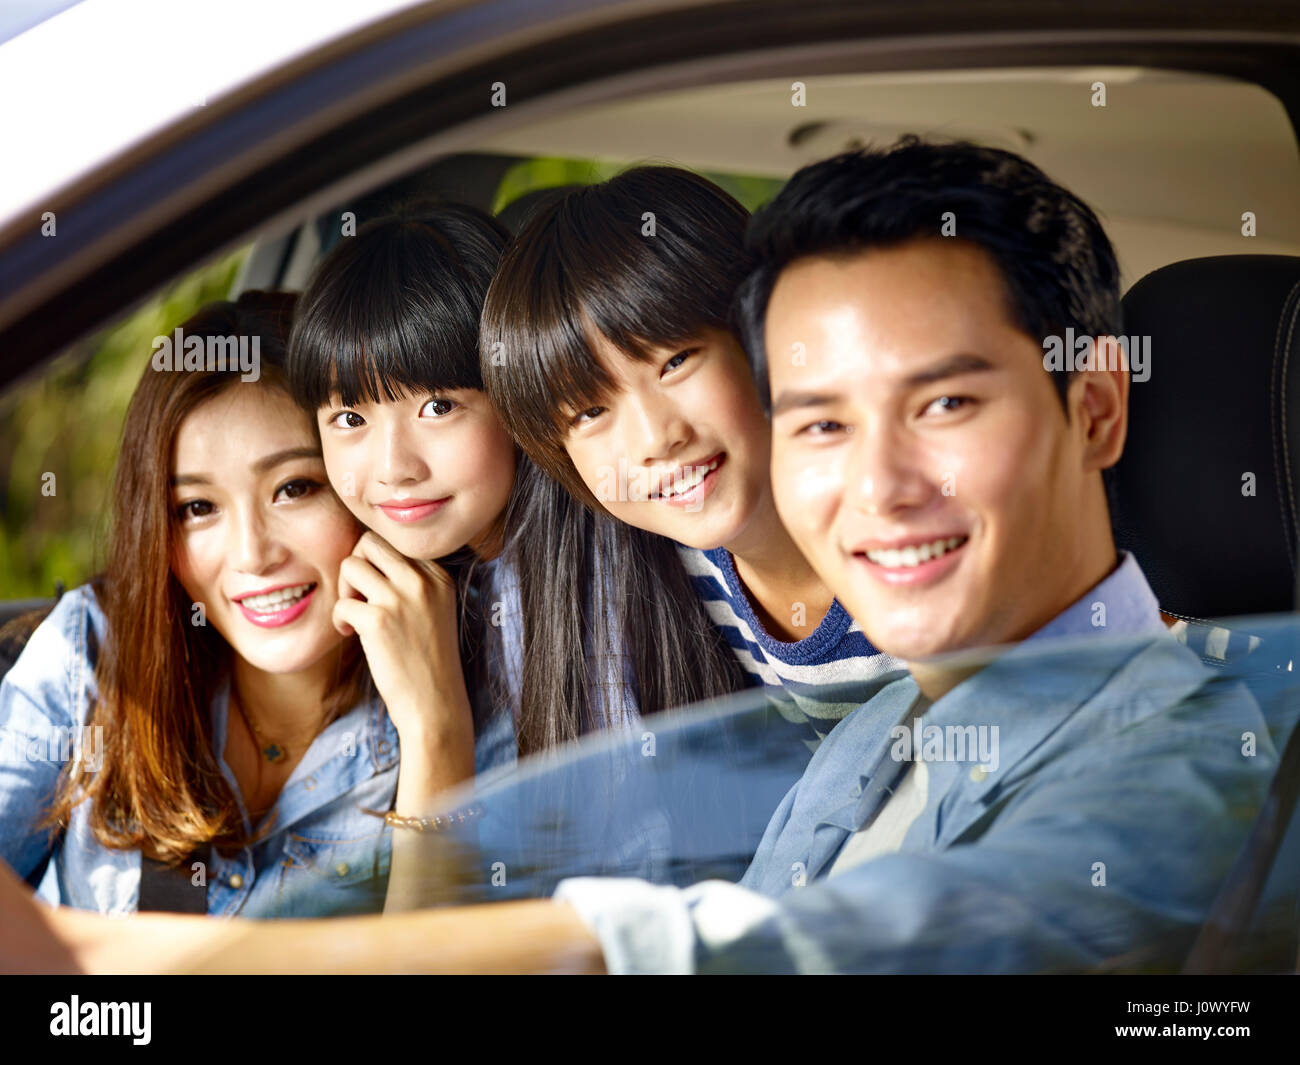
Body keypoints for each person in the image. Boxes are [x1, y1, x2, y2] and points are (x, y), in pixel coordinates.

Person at [0, 139, 1276, 973]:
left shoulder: (1187, 764)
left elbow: (819, 945)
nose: (869, 486)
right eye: (819, 419)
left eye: (943, 405)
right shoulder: (870, 733)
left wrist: (143, 964)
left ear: (1093, 408)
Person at [283, 204, 745, 908]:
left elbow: (429, 954)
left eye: (438, 406)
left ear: (522, 394)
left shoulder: (605, 575)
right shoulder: (428, 586)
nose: (393, 467)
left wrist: (435, 725)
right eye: (350, 419)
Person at [0, 293, 403, 918]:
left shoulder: (459, 705)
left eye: (294, 488)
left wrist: (438, 732)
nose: (251, 555)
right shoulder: (95, 651)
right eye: (197, 508)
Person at [481, 167, 900, 743]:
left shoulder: (897, 526)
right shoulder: (673, 573)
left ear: (761, 331)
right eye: (589, 413)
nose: (657, 437)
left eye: (675, 362)